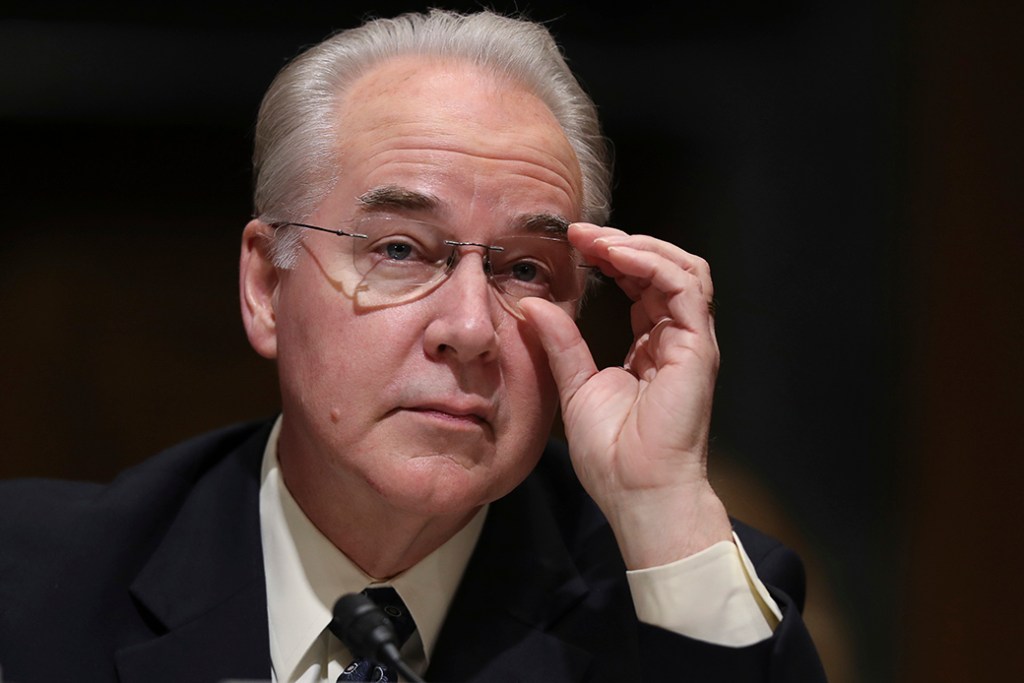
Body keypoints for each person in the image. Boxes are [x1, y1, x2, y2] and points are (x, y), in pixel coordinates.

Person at [0, 9, 826, 682]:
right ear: (265, 287)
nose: (468, 328)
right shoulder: (31, 587)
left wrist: (661, 505)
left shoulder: (670, 607)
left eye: (526, 268)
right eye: (398, 250)